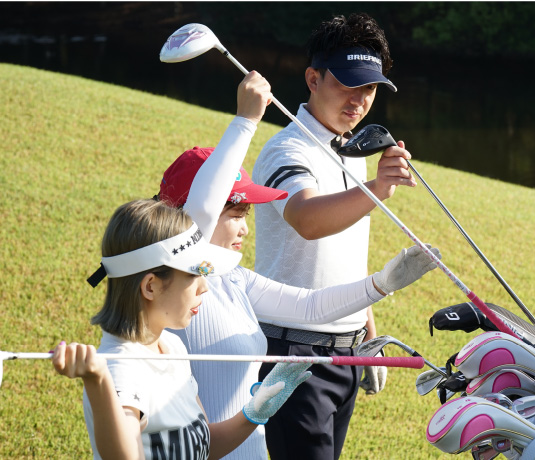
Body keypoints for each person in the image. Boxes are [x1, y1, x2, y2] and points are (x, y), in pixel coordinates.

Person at [156, 71, 440, 460]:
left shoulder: (237, 280)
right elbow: (202, 213)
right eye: (235, 214)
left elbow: (311, 306)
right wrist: (245, 121)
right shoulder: (172, 284)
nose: (245, 227)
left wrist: (380, 285)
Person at [251, 13, 415, 459]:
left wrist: (367, 329)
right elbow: (307, 219)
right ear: (313, 79)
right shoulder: (287, 149)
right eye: (347, 84)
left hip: (346, 350)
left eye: (370, 88)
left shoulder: (352, 150)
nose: (359, 99)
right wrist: (378, 188)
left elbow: (344, 249)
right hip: (293, 352)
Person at [52, 198, 313, 460]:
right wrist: (98, 381)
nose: (204, 287)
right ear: (151, 286)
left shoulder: (171, 346)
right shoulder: (121, 368)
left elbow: (202, 447)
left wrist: (254, 412)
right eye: (193, 274)